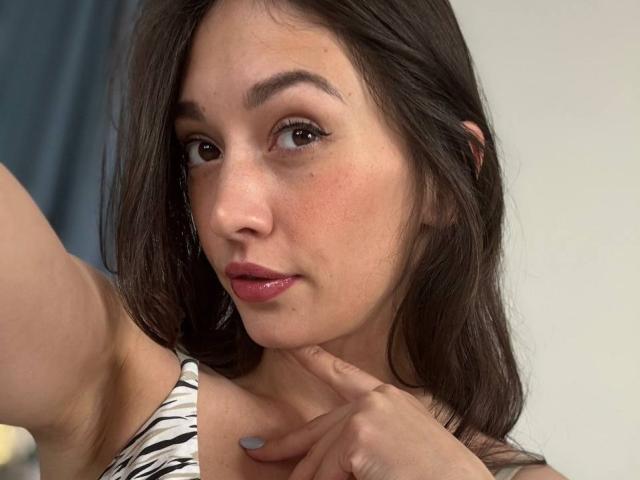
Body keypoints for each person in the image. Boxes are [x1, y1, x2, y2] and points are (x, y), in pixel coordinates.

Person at [0, 0, 569, 478]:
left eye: (298, 134)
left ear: (446, 179)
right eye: (203, 148)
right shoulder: (118, 387)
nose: (225, 213)